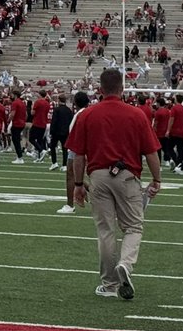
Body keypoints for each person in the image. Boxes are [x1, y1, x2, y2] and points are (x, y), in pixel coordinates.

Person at [68, 68, 162, 301]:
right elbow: (150, 152)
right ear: (122, 89)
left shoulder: (87, 115)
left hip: (98, 175)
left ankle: (109, 284)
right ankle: (125, 265)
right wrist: (157, 178)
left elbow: (78, 155)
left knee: (105, 231)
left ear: (100, 89)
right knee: (133, 226)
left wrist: (79, 184)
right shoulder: (137, 114)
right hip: (128, 175)